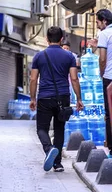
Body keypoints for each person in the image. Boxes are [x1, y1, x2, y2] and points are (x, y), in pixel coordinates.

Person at [30, 26, 84, 172]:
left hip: (45, 97)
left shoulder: (39, 56)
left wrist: (33, 98)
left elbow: (33, 79)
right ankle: (57, 164)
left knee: (42, 128)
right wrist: (79, 98)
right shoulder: (69, 56)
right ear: (61, 39)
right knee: (60, 129)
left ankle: (48, 149)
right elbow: (74, 78)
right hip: (63, 97)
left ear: (47, 39)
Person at [92, 9, 112, 158]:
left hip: (109, 77)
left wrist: (101, 73)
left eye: (98, 22)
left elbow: (103, 59)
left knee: (109, 113)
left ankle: (111, 147)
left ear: (104, 21)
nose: (97, 25)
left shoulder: (104, 34)